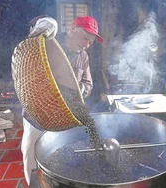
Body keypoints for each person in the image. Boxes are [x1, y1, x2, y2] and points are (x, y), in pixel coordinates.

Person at [19, 15, 104, 185]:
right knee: (31, 155)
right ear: (72, 29)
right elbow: (33, 34)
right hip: (37, 114)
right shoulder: (48, 40)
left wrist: (81, 90)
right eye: (86, 38)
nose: (87, 44)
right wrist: (45, 22)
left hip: (64, 116)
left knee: (58, 156)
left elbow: (88, 83)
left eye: (91, 42)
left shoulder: (83, 57)